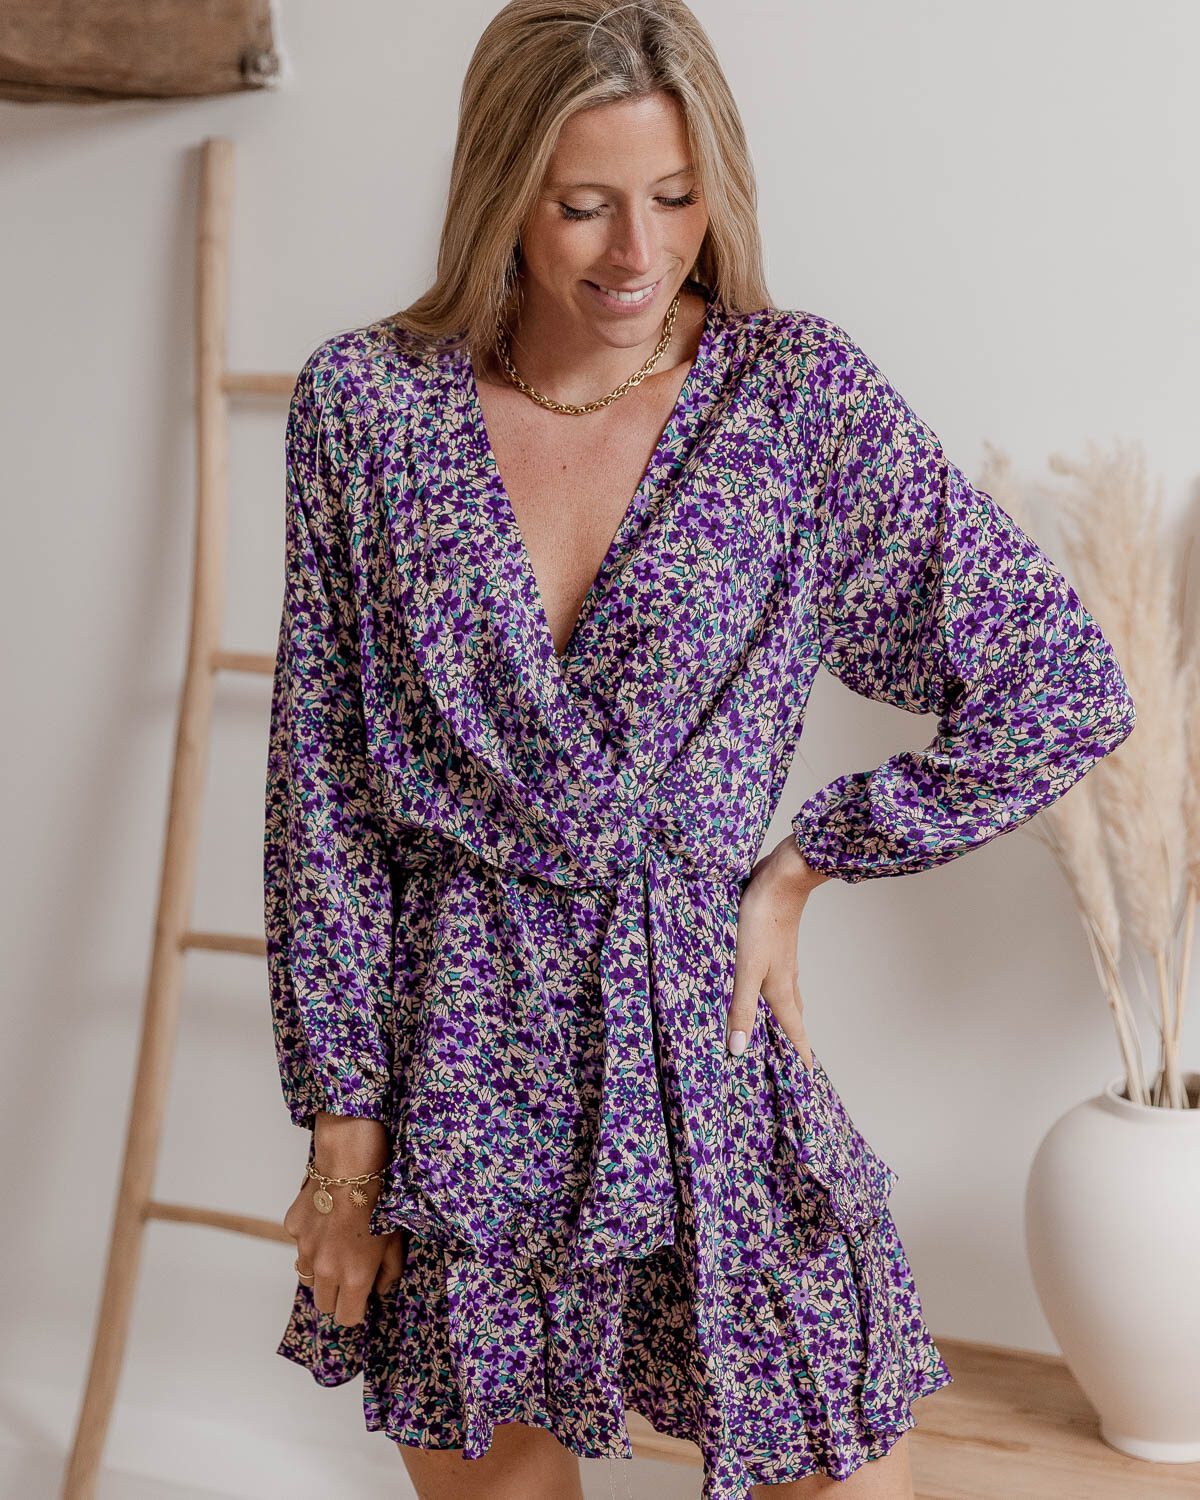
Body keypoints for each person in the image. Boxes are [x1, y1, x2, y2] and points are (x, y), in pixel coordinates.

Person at [264, 4, 1137, 1498]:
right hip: (458, 1051)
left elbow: (1060, 681)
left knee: (839, 1461)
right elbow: (324, 795)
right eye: (583, 205)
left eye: (676, 197)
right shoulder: (368, 406)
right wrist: (345, 1148)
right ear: (497, 193)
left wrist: (807, 863)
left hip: (705, 1031)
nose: (638, 252)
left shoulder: (794, 400)